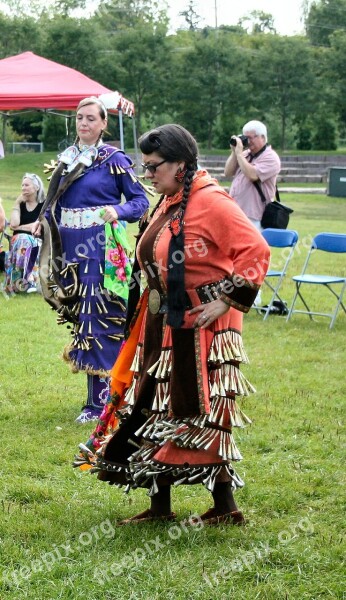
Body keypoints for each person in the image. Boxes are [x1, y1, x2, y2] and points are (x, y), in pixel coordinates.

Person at [75, 124, 270, 526]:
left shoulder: (211, 201)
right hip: (164, 321)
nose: (147, 175)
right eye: (144, 167)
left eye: (153, 166)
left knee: (201, 415)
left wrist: (227, 300)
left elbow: (255, 249)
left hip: (202, 329)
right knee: (155, 407)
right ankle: (162, 506)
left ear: (180, 164)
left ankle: (224, 506)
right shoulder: (172, 198)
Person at [33, 96, 149, 423]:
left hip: (99, 249)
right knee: (83, 322)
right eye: (79, 118)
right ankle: (114, 393)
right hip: (69, 251)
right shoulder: (68, 159)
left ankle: (99, 405)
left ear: (103, 124)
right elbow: (53, 202)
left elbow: (140, 201)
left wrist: (118, 210)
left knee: (98, 321)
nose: (83, 124)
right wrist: (40, 225)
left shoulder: (113, 159)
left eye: (90, 119)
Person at [224, 120, 281, 230]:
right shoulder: (245, 154)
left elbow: (252, 175)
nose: (248, 141)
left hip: (254, 215)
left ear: (263, 137)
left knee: (249, 247)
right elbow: (228, 172)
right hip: (235, 211)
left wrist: (239, 154)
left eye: (251, 137)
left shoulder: (271, 158)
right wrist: (234, 152)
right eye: (245, 138)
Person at [4, 173, 45, 294]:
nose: (23, 188)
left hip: (37, 239)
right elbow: (13, 224)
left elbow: (39, 226)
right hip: (17, 241)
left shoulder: (44, 204)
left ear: (36, 187)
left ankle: (23, 281)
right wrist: (16, 203)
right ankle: (29, 280)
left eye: (26, 185)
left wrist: (22, 227)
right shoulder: (20, 205)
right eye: (22, 185)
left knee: (27, 239)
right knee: (24, 239)